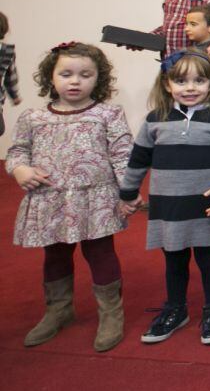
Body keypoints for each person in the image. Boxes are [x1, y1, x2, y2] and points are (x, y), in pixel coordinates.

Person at [6, 42, 131, 352]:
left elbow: (123, 155)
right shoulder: (33, 117)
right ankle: (58, 310)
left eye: (85, 75)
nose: (75, 81)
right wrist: (19, 169)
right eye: (66, 74)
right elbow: (18, 150)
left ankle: (111, 313)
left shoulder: (108, 113)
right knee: (56, 255)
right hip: (51, 200)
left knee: (100, 253)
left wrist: (128, 193)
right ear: (51, 77)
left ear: (98, 79)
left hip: (96, 201)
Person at [118, 49, 210, 346]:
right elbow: (138, 160)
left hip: (205, 204)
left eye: (199, 80)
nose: (190, 88)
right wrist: (128, 193)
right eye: (181, 81)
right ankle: (176, 308)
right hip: (168, 205)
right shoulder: (155, 119)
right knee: (174, 260)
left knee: (208, 258)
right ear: (166, 84)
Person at [0, 11, 21, 136]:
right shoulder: (6, 51)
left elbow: (10, 75)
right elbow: (10, 76)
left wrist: (14, 95)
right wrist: (14, 95)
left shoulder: (7, 52)